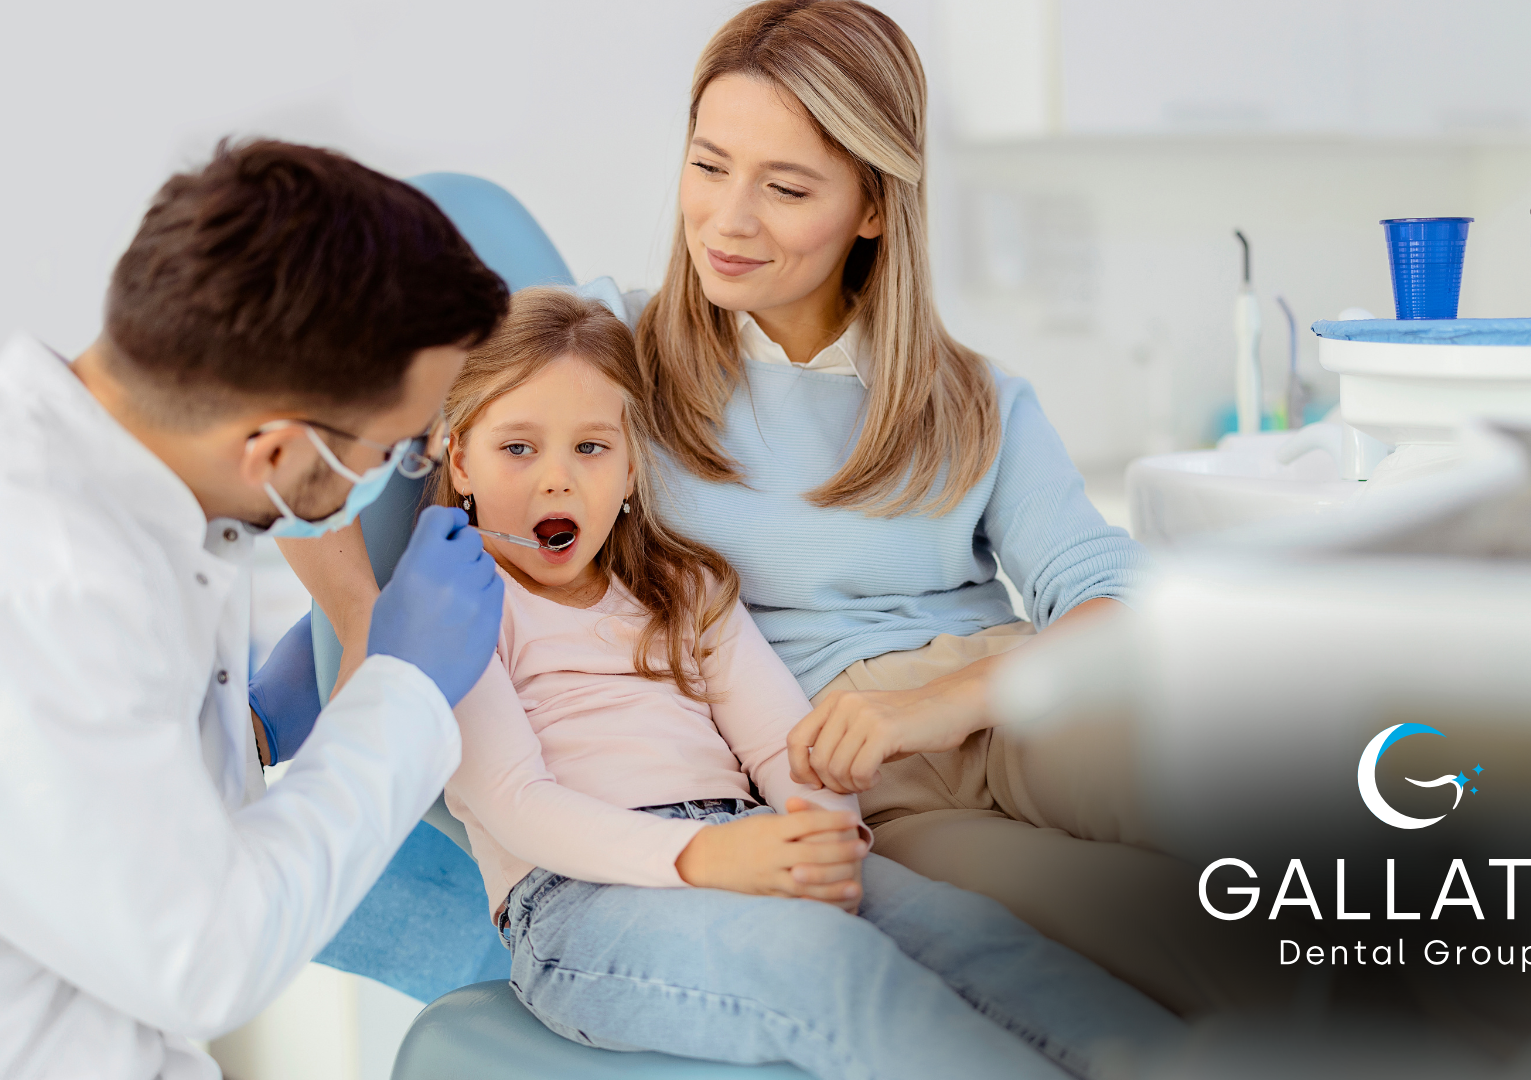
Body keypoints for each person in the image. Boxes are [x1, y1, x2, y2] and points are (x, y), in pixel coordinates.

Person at [286, 1, 1277, 1013]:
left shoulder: (974, 398)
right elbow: (356, 425)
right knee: (1148, 939)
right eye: (708, 167)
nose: (727, 221)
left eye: (786, 187)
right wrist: (340, 647)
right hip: (844, 770)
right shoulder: (612, 354)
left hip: (1012, 697)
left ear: (874, 206)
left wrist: (932, 706)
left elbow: (1123, 609)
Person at [0, 139, 511, 1079]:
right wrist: (401, 691)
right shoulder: (23, 590)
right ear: (270, 449)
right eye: (397, 449)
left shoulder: (137, 504)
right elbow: (205, 956)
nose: (402, 471)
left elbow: (113, 817)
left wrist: (250, 731)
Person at [406, 287, 1183, 1078]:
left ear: (634, 463)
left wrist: (824, 836)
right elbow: (516, 807)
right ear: (459, 457)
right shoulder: (456, 607)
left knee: (984, 940)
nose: (557, 482)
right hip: (579, 900)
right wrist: (708, 858)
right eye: (518, 449)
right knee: (832, 966)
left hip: (747, 842)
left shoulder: (688, 590)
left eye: (591, 448)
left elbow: (784, 744)